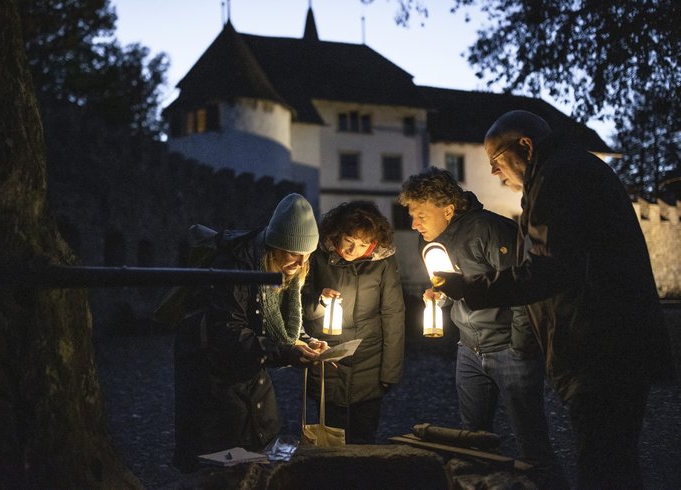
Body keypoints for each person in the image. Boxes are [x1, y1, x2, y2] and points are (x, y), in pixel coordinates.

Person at [432, 110, 675, 489]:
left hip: (601, 348)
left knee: (603, 468)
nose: (495, 173)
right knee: (612, 463)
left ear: (525, 147)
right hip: (607, 346)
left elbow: (551, 268)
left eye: (495, 161)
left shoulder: (558, 176)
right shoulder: (567, 169)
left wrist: (470, 287)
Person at [398, 168, 563, 482]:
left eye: (420, 214)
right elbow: (457, 289)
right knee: (473, 442)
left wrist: (519, 346)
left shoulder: (492, 230)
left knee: (531, 444)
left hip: (508, 350)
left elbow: (521, 290)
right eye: (412, 215)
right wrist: (439, 297)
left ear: (447, 209)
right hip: (469, 350)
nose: (414, 224)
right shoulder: (432, 243)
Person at [172, 193, 328, 471]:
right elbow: (229, 332)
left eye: (307, 255)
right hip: (214, 381)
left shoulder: (284, 269)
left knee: (258, 456)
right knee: (220, 465)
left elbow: (283, 322)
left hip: (251, 378)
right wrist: (284, 352)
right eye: (294, 253)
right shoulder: (237, 265)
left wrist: (305, 341)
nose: (301, 262)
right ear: (275, 245)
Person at [301, 201, 405, 444]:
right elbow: (297, 304)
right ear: (338, 232)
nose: (353, 249)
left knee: (364, 436)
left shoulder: (384, 262)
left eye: (362, 244)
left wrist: (390, 371)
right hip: (327, 358)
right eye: (349, 239)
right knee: (328, 438)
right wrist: (320, 301)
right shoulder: (317, 255)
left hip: (369, 361)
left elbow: (393, 313)